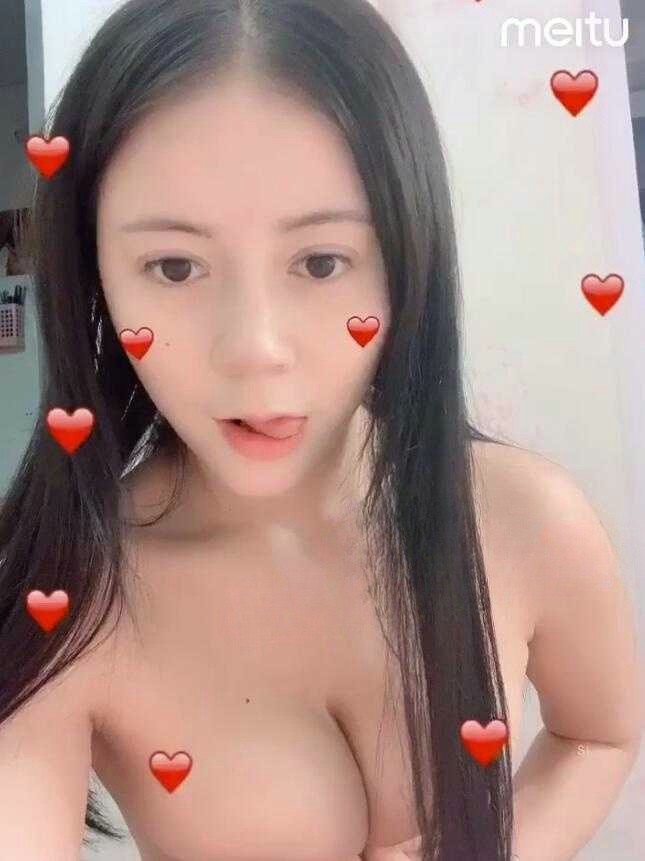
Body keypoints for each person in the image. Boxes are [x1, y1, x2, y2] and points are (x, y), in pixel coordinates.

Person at [0, 1, 642, 860]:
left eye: (320, 261)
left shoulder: (523, 517)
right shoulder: (72, 593)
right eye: (175, 266)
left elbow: (598, 733)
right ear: (97, 276)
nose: (256, 349)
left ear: (405, 254)